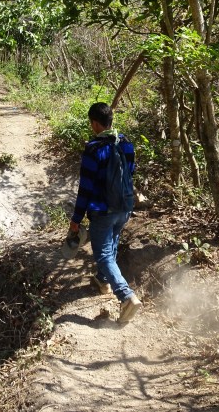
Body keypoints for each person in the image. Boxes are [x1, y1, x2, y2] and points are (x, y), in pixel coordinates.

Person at [69, 102, 142, 324]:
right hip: (124, 207)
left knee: (103, 254)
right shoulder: (126, 143)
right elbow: (131, 172)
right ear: (111, 120)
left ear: (94, 123)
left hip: (102, 211)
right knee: (112, 244)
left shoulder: (93, 150)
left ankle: (126, 296)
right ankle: (103, 280)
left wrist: (76, 219)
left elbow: (85, 188)